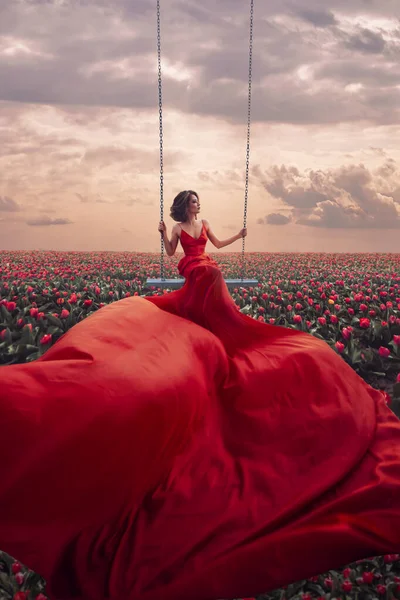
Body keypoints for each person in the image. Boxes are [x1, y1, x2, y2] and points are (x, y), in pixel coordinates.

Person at [0, 190, 400, 600]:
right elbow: (173, 252)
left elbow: (220, 244)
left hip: (210, 270)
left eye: (197, 201)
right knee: (201, 293)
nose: (195, 205)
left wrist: (239, 235)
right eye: (191, 201)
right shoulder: (176, 228)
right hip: (193, 272)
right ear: (182, 206)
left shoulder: (206, 226)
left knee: (216, 290)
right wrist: (161, 235)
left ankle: (217, 335)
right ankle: (202, 334)